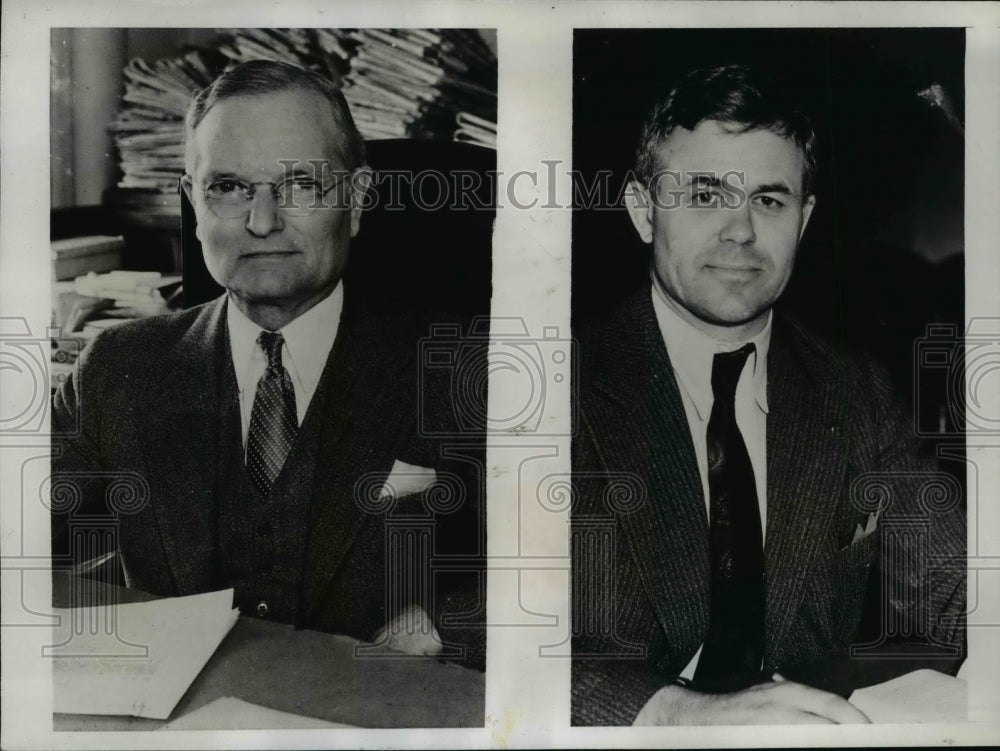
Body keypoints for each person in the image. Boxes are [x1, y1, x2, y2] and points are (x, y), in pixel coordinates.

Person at [51, 60, 484, 666]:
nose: (261, 221)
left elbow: (574, 554)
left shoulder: (465, 368)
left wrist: (446, 623)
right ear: (192, 202)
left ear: (356, 201)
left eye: (301, 184)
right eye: (228, 188)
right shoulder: (118, 367)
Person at [570, 64, 966, 725]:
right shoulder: (548, 382)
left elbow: (956, 582)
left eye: (770, 199)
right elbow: (479, 631)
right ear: (643, 210)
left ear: (804, 218)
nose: (742, 232)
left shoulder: (855, 389)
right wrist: (674, 716)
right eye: (704, 195)